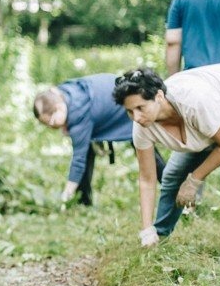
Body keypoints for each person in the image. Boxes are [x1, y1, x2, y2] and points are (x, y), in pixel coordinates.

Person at [113, 63, 220, 255]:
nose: (137, 117)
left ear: (158, 96)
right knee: (172, 174)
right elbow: (147, 179)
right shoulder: (142, 126)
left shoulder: (192, 102)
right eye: (130, 111)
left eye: (141, 107)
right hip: (215, 109)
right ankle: (158, 237)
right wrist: (146, 228)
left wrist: (194, 180)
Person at [34, 74, 164, 205]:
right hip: (112, 90)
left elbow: (78, 160)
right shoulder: (63, 93)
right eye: (46, 124)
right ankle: (83, 200)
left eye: (52, 122)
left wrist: (65, 196)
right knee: (87, 149)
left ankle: (172, 187)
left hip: (125, 104)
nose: (51, 127)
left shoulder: (77, 114)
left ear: (59, 107)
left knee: (145, 150)